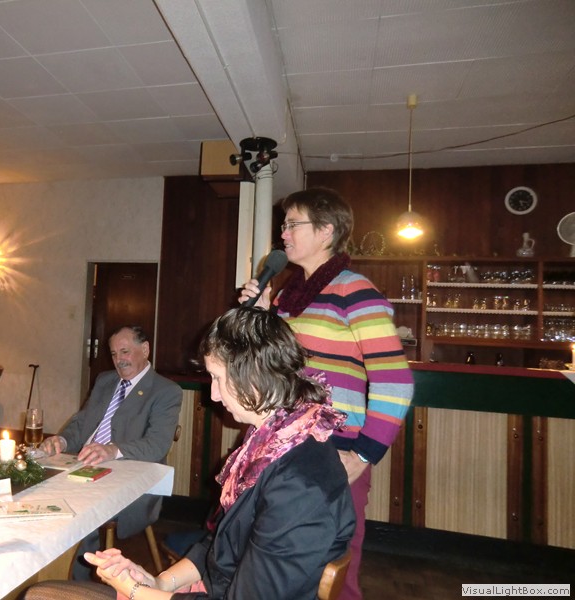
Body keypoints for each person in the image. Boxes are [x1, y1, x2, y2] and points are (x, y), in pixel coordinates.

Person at [24, 307, 355, 600]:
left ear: (253, 375)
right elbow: (221, 545)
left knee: (40, 595)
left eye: (217, 378)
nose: (213, 394)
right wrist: (159, 581)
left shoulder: (299, 481)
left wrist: (139, 592)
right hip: (210, 588)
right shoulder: (270, 444)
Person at [239, 186, 414, 600]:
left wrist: (364, 454)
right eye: (283, 225)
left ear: (325, 231)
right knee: (274, 562)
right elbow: (278, 369)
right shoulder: (289, 295)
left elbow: (395, 380)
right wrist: (262, 315)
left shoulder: (355, 290)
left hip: (333, 450)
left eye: (292, 224)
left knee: (330, 570)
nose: (283, 234)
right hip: (282, 443)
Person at [40, 325, 182, 581]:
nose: (119, 360)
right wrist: (62, 440)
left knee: (79, 515)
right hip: (81, 464)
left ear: (145, 349)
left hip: (129, 479)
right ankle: (39, 573)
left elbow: (157, 445)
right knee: (39, 496)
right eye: (114, 354)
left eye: (125, 351)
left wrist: (113, 450)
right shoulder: (105, 381)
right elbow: (82, 423)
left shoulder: (165, 391)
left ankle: (71, 585)